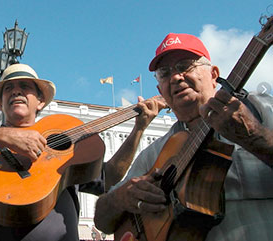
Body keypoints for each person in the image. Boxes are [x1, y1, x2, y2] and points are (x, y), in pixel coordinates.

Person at [0, 63, 160, 241]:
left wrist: (138, 129)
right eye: (8, 88)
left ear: (40, 102)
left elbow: (108, 178)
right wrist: (4, 136)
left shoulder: (71, 154)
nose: (16, 91)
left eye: (25, 87)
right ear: (1, 104)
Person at [94, 33, 273, 240]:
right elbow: (102, 219)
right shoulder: (156, 152)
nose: (176, 77)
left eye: (185, 66)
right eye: (165, 73)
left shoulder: (261, 110)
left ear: (214, 74)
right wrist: (121, 197)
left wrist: (255, 137)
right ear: (159, 89)